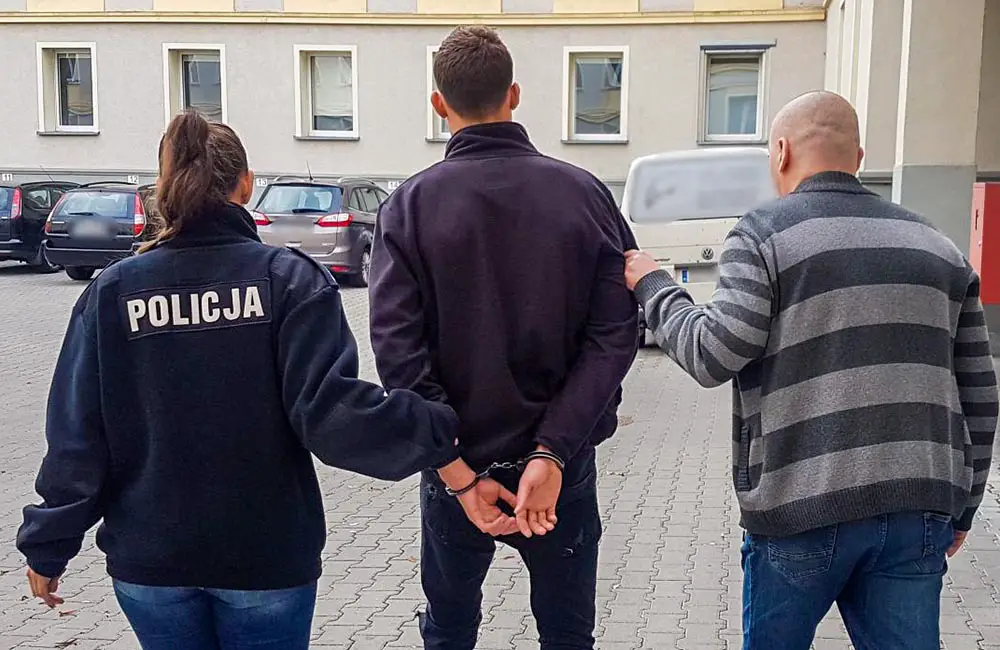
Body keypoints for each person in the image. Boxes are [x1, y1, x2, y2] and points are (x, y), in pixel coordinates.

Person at [17, 111, 464, 650]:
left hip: (151, 560)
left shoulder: (113, 292)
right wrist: (440, 425)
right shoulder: (288, 280)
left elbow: (78, 436)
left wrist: (49, 544)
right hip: (264, 557)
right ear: (247, 185)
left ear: (163, 186)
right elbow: (332, 416)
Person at [624, 90, 999, 650]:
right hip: (917, 507)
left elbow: (713, 354)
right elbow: (980, 393)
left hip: (799, 507)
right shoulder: (938, 246)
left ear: (780, 152)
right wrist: (964, 507)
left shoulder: (763, 234)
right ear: (859, 157)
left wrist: (654, 286)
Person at [369, 25, 639, 650]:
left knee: (449, 631)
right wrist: (552, 452)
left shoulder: (407, 207)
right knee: (568, 636)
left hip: (456, 468)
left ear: (438, 104)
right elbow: (614, 335)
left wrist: (458, 475)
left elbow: (398, 358)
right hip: (560, 472)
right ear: (514, 95)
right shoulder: (586, 195)